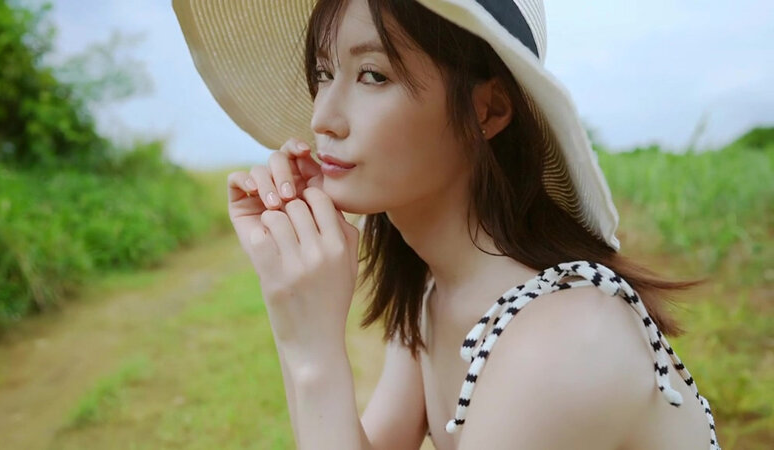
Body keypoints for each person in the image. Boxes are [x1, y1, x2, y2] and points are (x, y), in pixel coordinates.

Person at [173, 0, 721, 448]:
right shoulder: (436, 292)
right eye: (323, 72)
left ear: (487, 111)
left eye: (372, 75)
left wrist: (314, 354)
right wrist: (291, 305)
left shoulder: (563, 337)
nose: (322, 118)